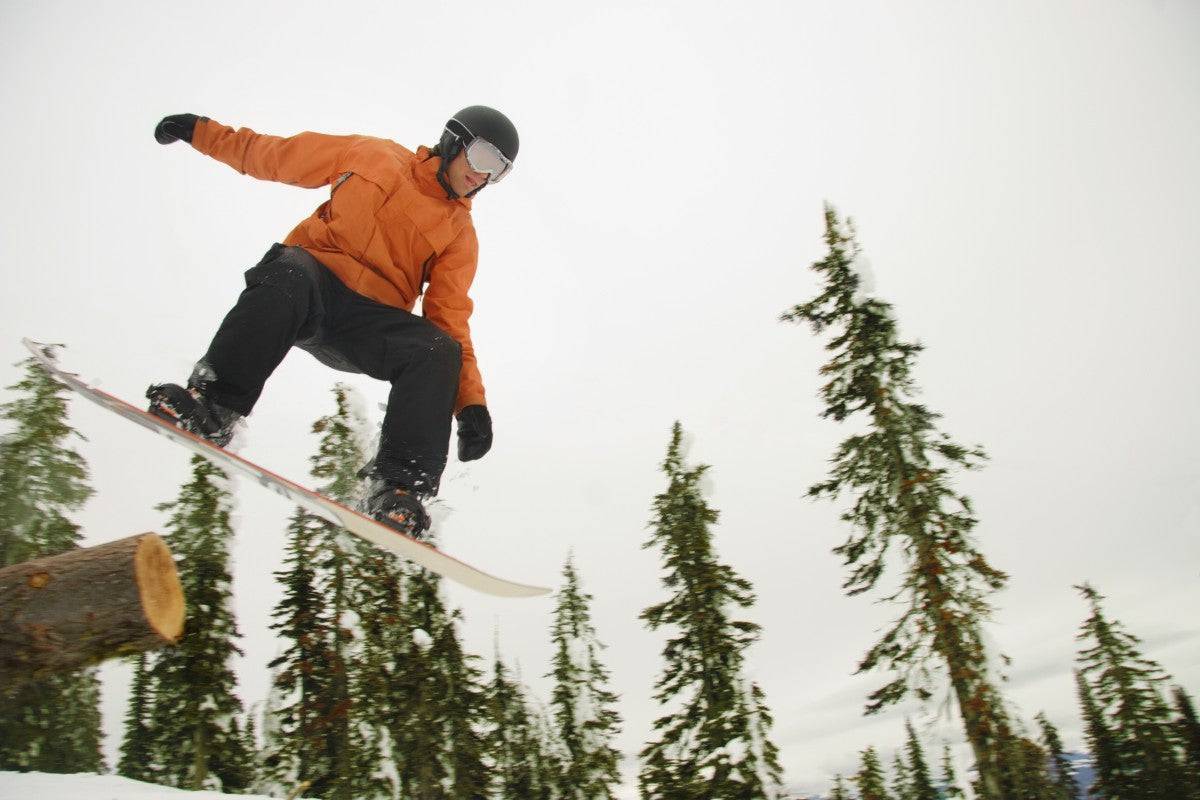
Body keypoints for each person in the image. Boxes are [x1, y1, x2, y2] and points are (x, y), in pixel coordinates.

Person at [145, 106, 518, 538]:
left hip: (370, 324)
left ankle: (398, 489)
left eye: (500, 172)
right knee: (290, 267)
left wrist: (470, 404)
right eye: (484, 159)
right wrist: (200, 133)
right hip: (309, 289)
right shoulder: (371, 155)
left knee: (437, 350)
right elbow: (275, 155)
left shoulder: (458, 233)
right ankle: (212, 406)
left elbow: (449, 319)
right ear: (455, 140)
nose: (483, 177)